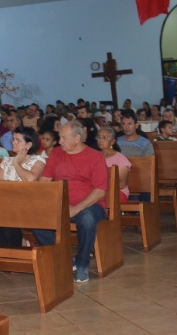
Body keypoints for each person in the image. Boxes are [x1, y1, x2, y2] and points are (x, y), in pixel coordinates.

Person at [40, 121, 109, 283]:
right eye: (59, 137)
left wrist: (76, 208)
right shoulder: (56, 154)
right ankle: (66, 258)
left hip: (90, 205)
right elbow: (44, 181)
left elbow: (100, 191)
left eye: (63, 138)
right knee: (35, 217)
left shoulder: (95, 157)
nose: (60, 141)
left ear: (77, 138)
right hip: (61, 204)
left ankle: (82, 263)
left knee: (87, 219)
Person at [96, 126, 131, 203]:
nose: (100, 140)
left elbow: (122, 184)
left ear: (112, 141)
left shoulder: (121, 159)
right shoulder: (94, 157)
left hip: (117, 191)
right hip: (99, 191)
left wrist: (102, 190)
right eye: (99, 137)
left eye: (104, 138)